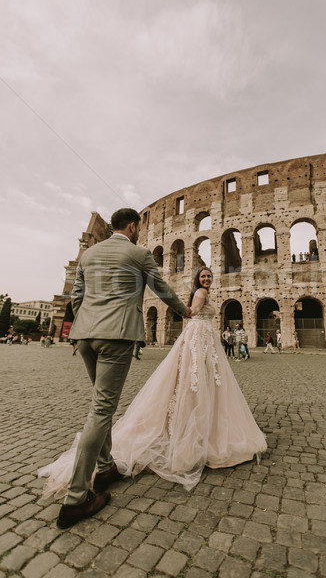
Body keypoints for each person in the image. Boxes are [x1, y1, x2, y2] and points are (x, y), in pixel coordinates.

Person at [39, 265, 266, 515]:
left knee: (195, 381)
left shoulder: (201, 292)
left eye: (209, 276)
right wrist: (193, 320)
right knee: (196, 380)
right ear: (197, 279)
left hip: (199, 336)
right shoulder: (200, 293)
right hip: (199, 336)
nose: (207, 279)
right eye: (203, 276)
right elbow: (189, 314)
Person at [39, 208, 190, 529]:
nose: (139, 233)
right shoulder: (138, 253)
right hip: (117, 335)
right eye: (138, 228)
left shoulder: (90, 254)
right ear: (133, 226)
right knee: (101, 409)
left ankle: (106, 466)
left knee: (100, 403)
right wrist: (185, 310)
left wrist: (80, 330)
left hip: (86, 336)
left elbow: (76, 297)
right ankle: (77, 498)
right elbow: (162, 289)